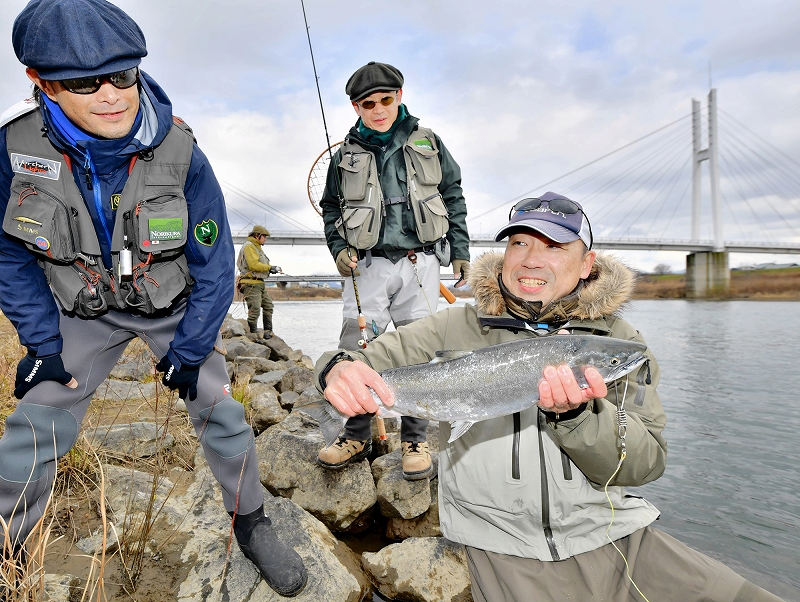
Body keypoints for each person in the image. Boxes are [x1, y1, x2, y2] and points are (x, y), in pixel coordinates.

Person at [314, 192, 784, 602]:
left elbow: (644, 465)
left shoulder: (621, 342)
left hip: (617, 536)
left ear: (587, 264)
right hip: (503, 550)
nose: (531, 259)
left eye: (554, 246)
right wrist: (336, 370)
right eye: (519, 243)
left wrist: (577, 417)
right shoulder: (452, 326)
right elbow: (357, 359)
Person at [0, 0, 306, 596]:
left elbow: (214, 264)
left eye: (125, 74)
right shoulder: (11, 152)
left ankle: (252, 521)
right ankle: (8, 541)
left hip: (170, 309)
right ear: (42, 84)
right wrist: (40, 341)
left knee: (222, 407)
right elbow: (7, 253)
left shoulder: (184, 151)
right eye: (86, 82)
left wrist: (191, 351)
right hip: (79, 311)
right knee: (32, 422)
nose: (113, 94)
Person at [318, 60, 470, 480]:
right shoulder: (344, 156)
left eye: (387, 99)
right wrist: (337, 248)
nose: (379, 109)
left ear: (399, 97)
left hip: (421, 263)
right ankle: (356, 433)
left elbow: (452, 193)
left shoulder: (429, 142)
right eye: (369, 103)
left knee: (421, 351)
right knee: (356, 346)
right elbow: (331, 208)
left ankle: (415, 439)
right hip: (366, 265)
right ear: (356, 107)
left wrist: (460, 249)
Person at [237, 224, 280, 339]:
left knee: (268, 306)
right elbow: (253, 265)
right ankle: (254, 335)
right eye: (264, 236)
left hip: (259, 283)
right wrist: (269, 268)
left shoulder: (257, 247)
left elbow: (260, 264)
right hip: (250, 283)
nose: (265, 239)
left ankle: (268, 331)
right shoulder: (249, 246)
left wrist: (271, 268)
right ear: (257, 235)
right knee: (255, 309)